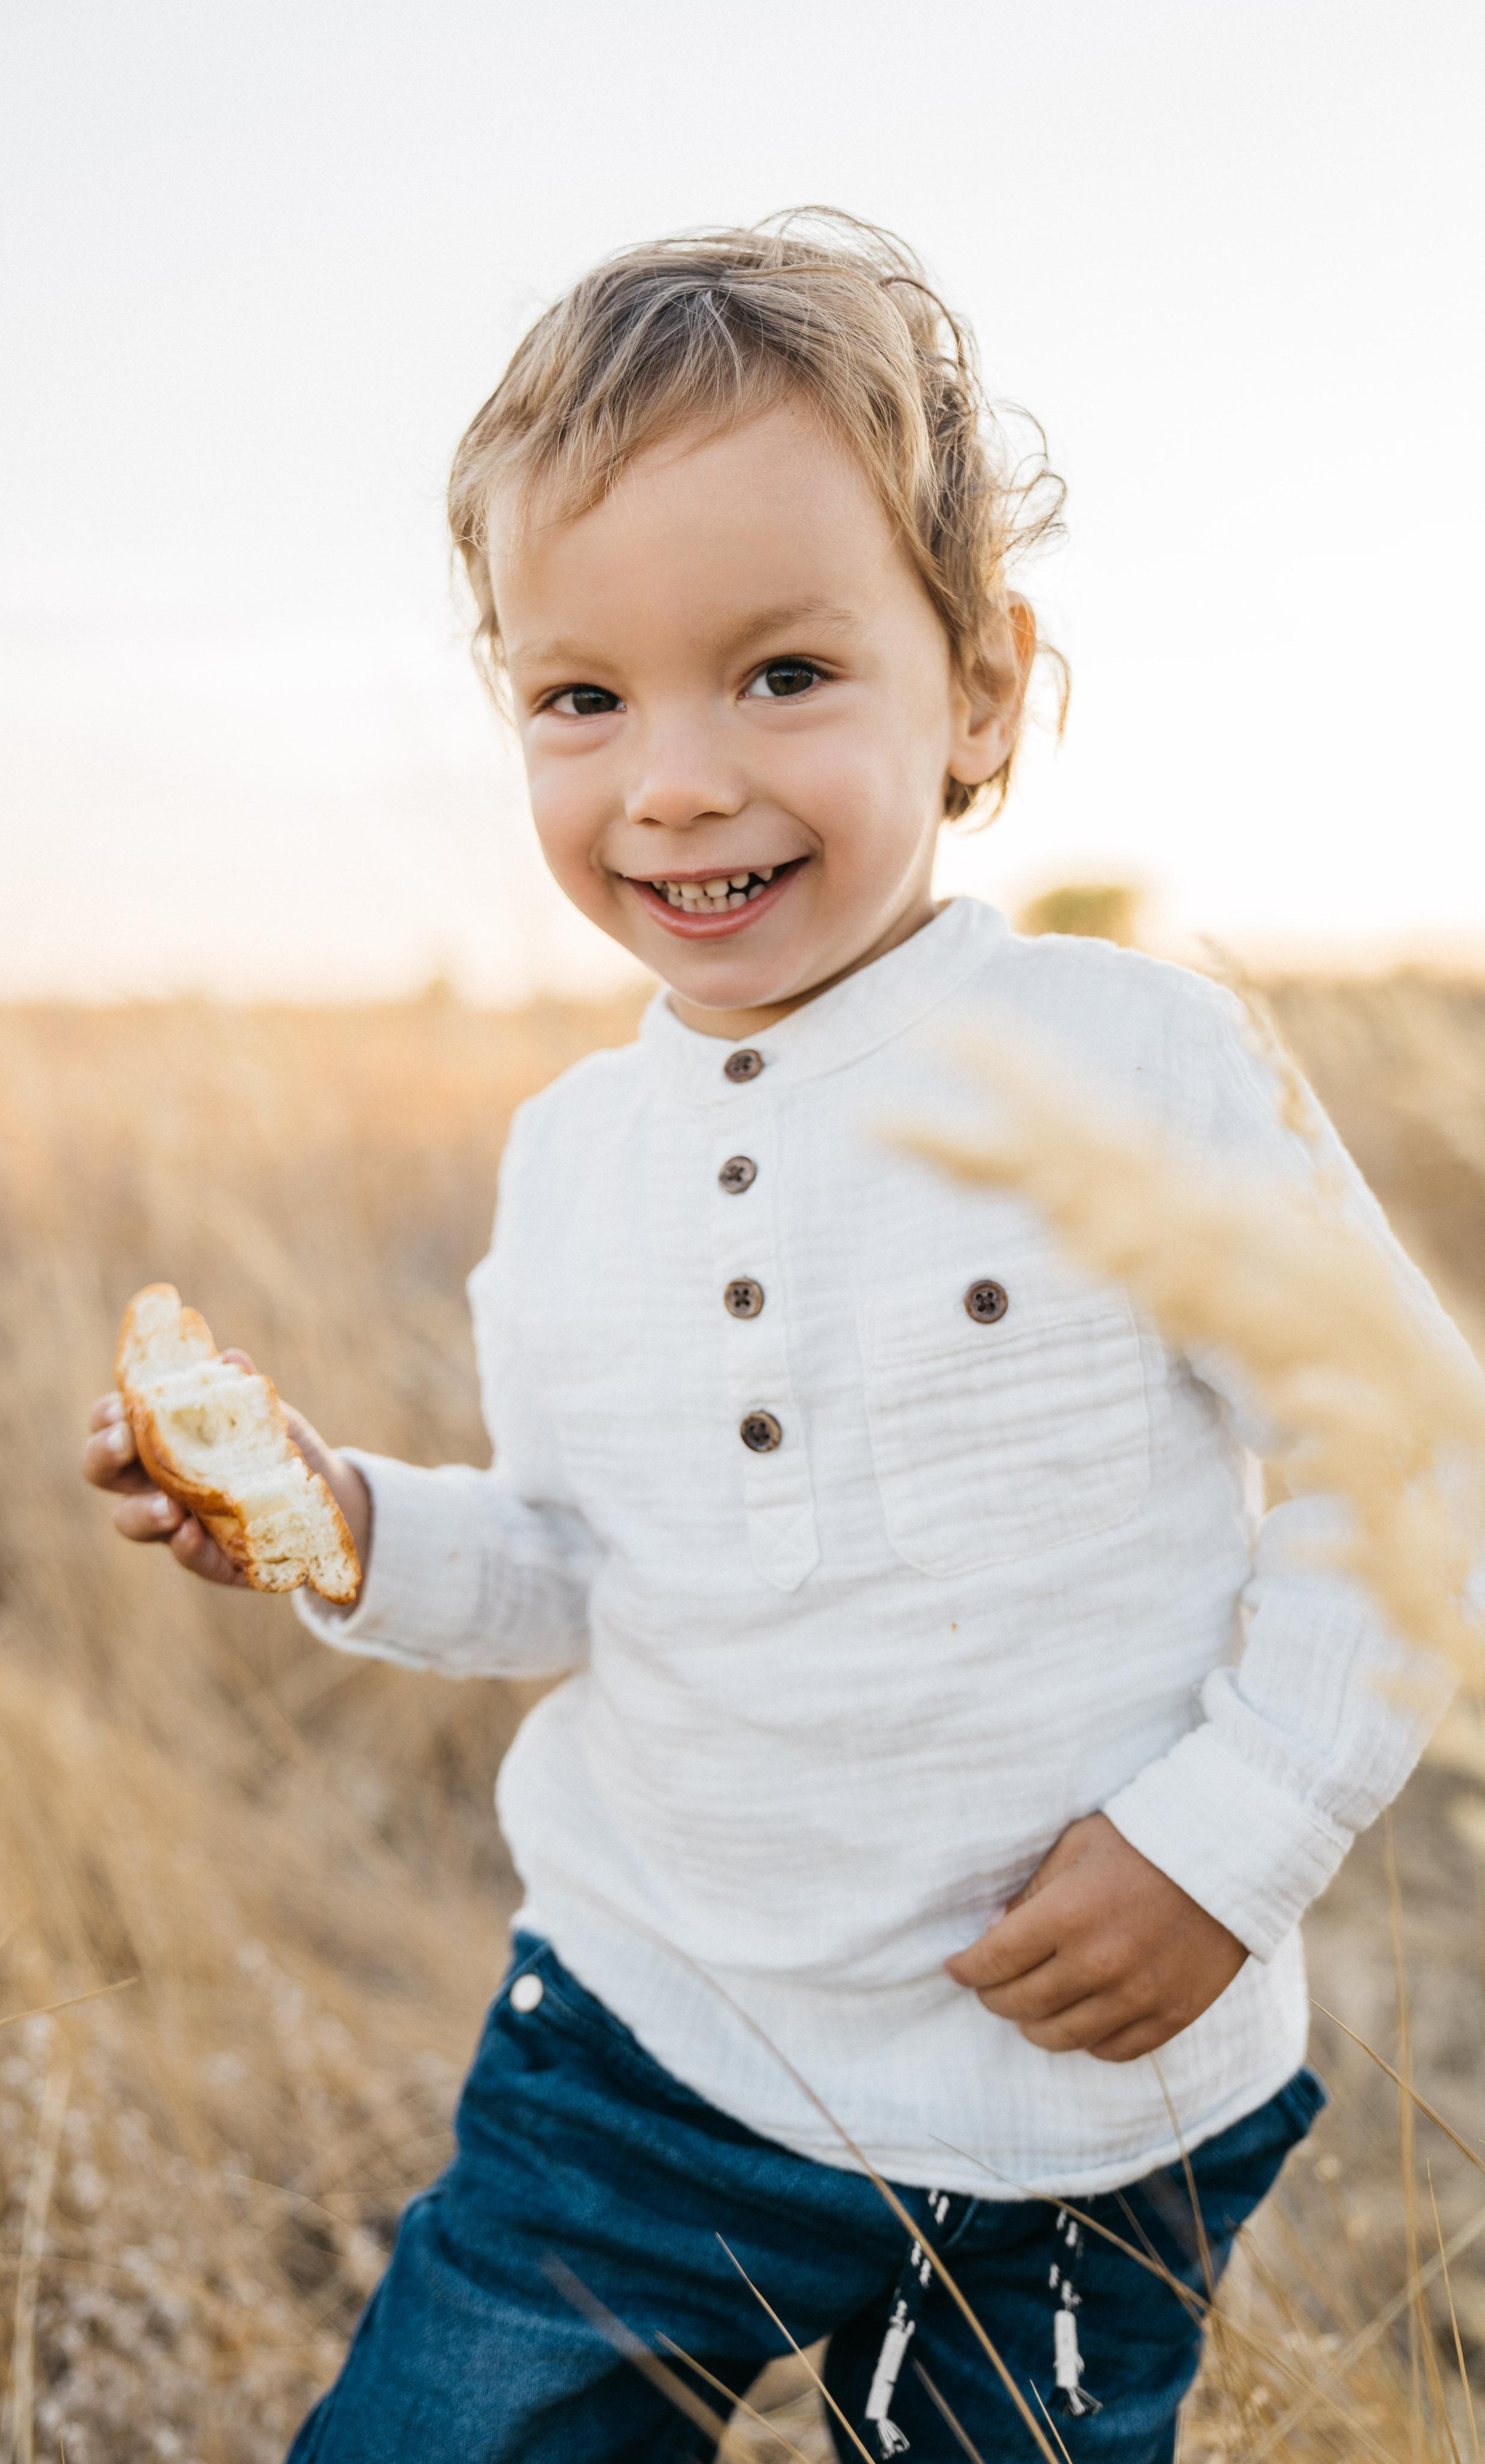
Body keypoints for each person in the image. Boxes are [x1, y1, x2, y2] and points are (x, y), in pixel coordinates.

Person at [83, 213, 1452, 2461]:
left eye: (785, 675)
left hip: (1079, 2114)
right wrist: (335, 1523)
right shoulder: (570, 1158)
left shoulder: (1131, 1062)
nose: (677, 780)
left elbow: (1412, 1468)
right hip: (650, 2050)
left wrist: (1234, 1837)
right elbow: (571, 1561)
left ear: (983, 688)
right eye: (582, 697)